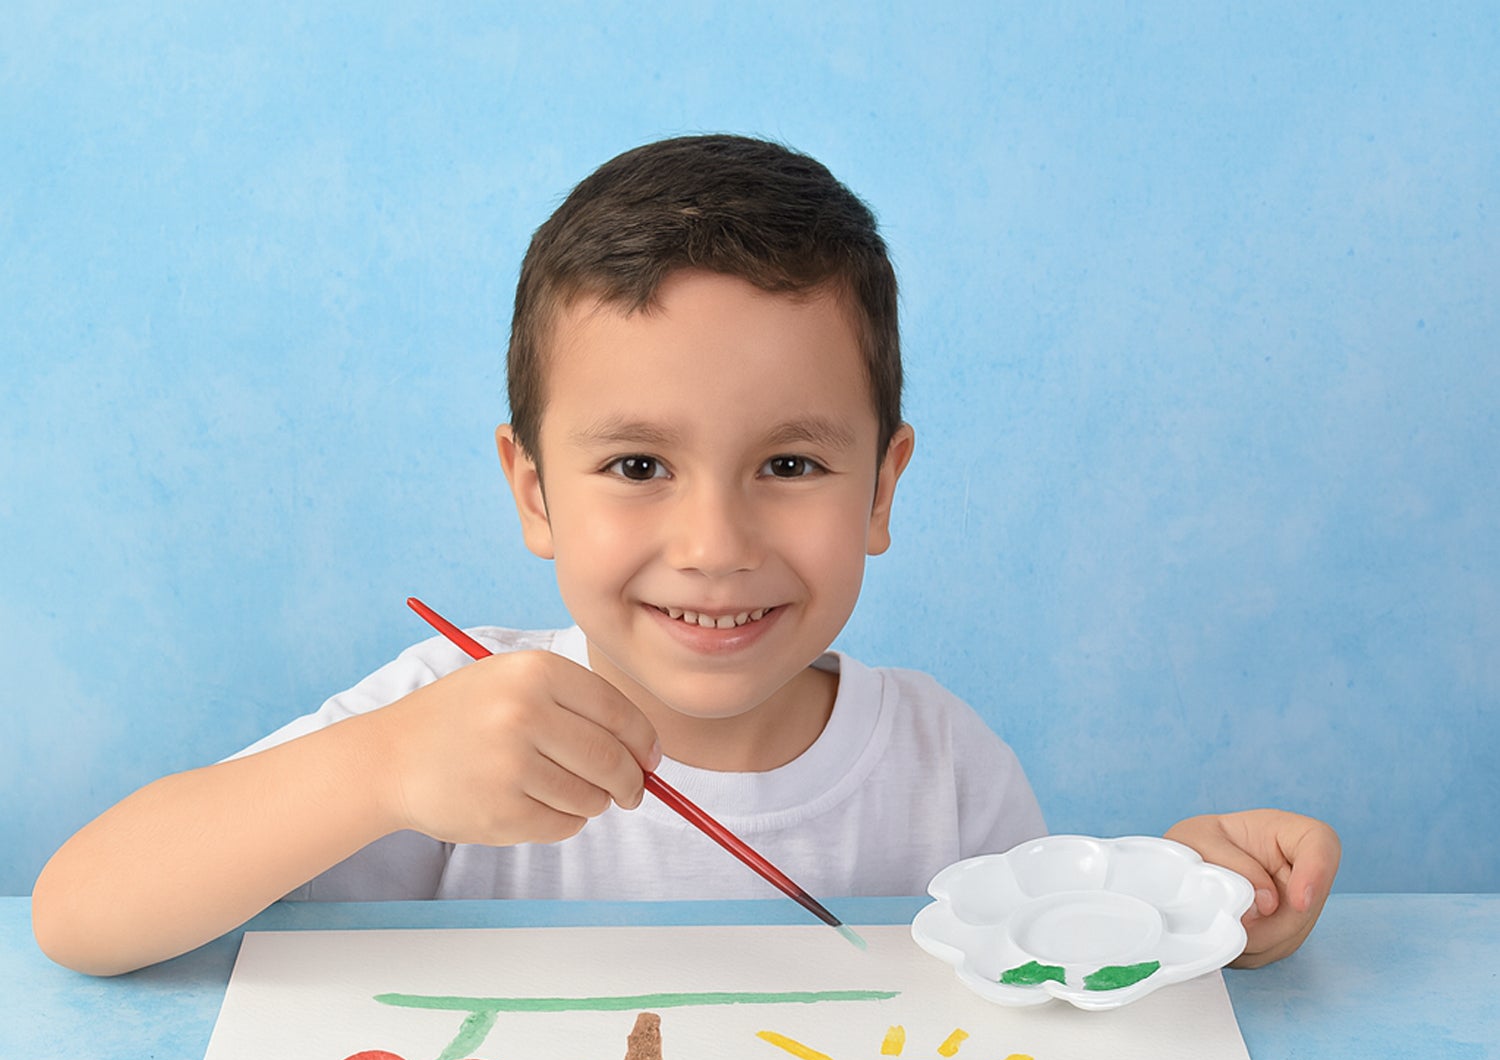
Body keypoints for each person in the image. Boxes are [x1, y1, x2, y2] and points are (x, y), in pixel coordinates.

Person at [32, 134, 1339, 977]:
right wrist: (379, 771)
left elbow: (1035, 988)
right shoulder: (450, 719)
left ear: (882, 487)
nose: (715, 547)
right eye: (638, 467)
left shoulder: (945, 765)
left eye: (791, 465)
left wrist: (1182, 904)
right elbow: (80, 915)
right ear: (533, 492)